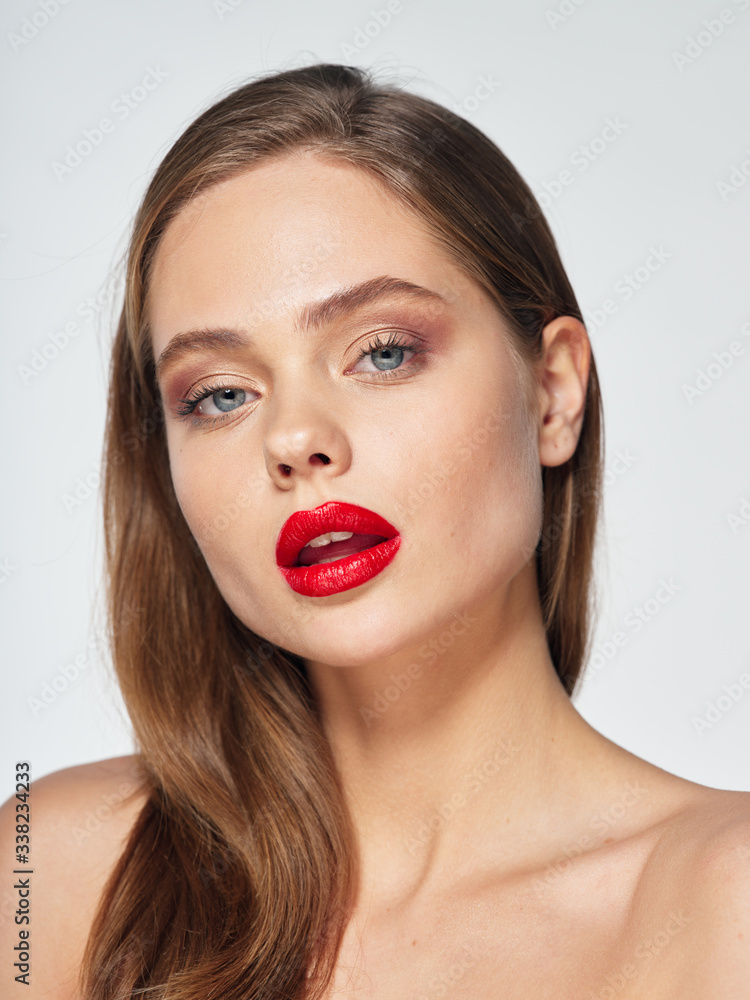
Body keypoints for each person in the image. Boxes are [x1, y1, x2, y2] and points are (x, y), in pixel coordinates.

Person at [2, 61, 749, 1000]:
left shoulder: (723, 903)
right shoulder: (50, 869)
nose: (295, 440)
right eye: (221, 395)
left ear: (554, 392)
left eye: (383, 353)